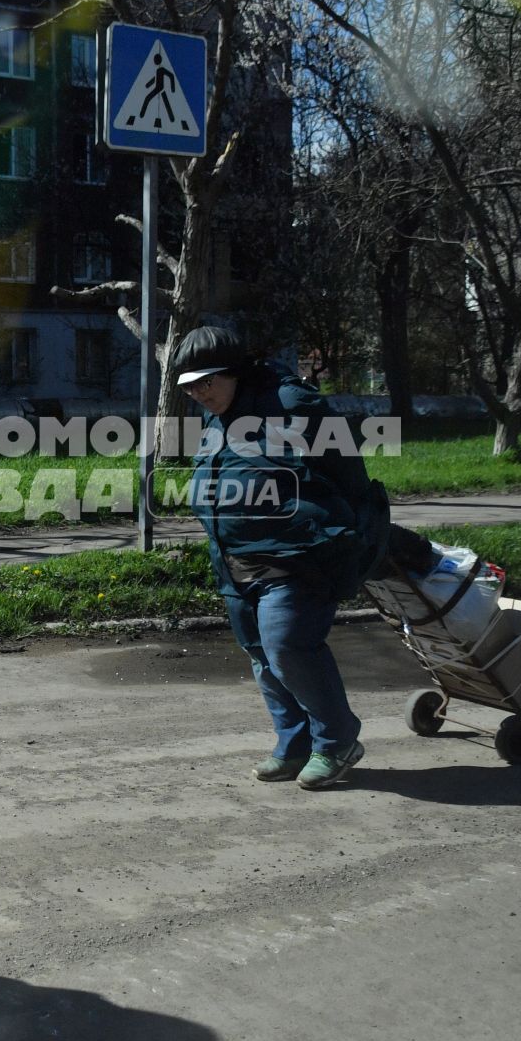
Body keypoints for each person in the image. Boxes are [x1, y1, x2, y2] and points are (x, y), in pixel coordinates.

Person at [172, 325, 390, 790]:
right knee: (259, 653)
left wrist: (348, 532)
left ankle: (337, 742)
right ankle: (293, 745)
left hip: (298, 555)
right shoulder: (219, 413)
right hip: (235, 558)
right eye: (189, 386)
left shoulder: (292, 404)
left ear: (235, 372)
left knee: (287, 645)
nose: (198, 393)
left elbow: (349, 472)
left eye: (206, 381)